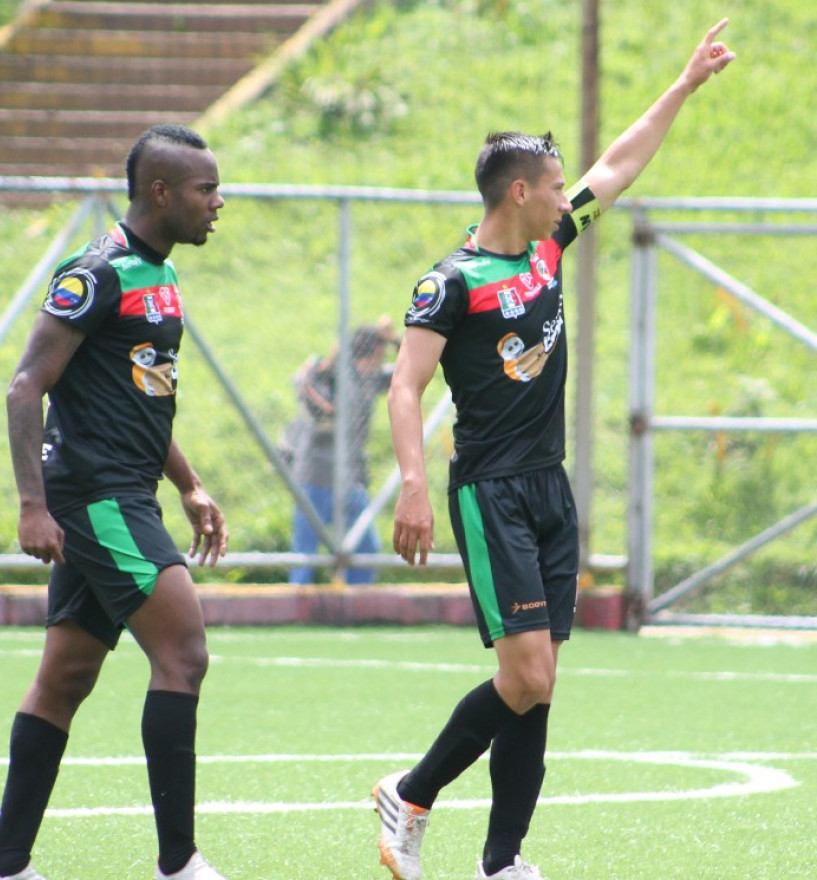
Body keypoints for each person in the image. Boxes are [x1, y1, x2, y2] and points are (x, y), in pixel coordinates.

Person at [374, 21, 735, 880]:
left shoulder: (546, 246)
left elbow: (619, 162)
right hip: (489, 490)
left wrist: (681, 86)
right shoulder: (450, 282)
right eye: (554, 183)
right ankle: (410, 793)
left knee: (538, 683)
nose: (569, 190)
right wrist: (414, 486)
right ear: (518, 192)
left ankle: (501, 862)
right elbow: (403, 387)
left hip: (548, 488)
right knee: (526, 674)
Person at [0, 124, 230, 880]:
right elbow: (26, 387)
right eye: (205, 189)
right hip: (96, 496)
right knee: (183, 653)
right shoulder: (98, 273)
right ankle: (179, 864)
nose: (219, 203)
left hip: (126, 491)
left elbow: (140, 400)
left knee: (65, 679)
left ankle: (4, 870)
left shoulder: (161, 274)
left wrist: (186, 482)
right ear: (161, 192)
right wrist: (33, 503)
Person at [288, 315, 399, 585]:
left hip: (350, 478)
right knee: (305, 553)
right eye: (380, 353)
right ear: (370, 353)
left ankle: (354, 603)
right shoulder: (336, 374)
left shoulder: (373, 378)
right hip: (316, 475)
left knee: (366, 547)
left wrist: (394, 339)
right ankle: (296, 606)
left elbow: (410, 368)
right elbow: (314, 377)